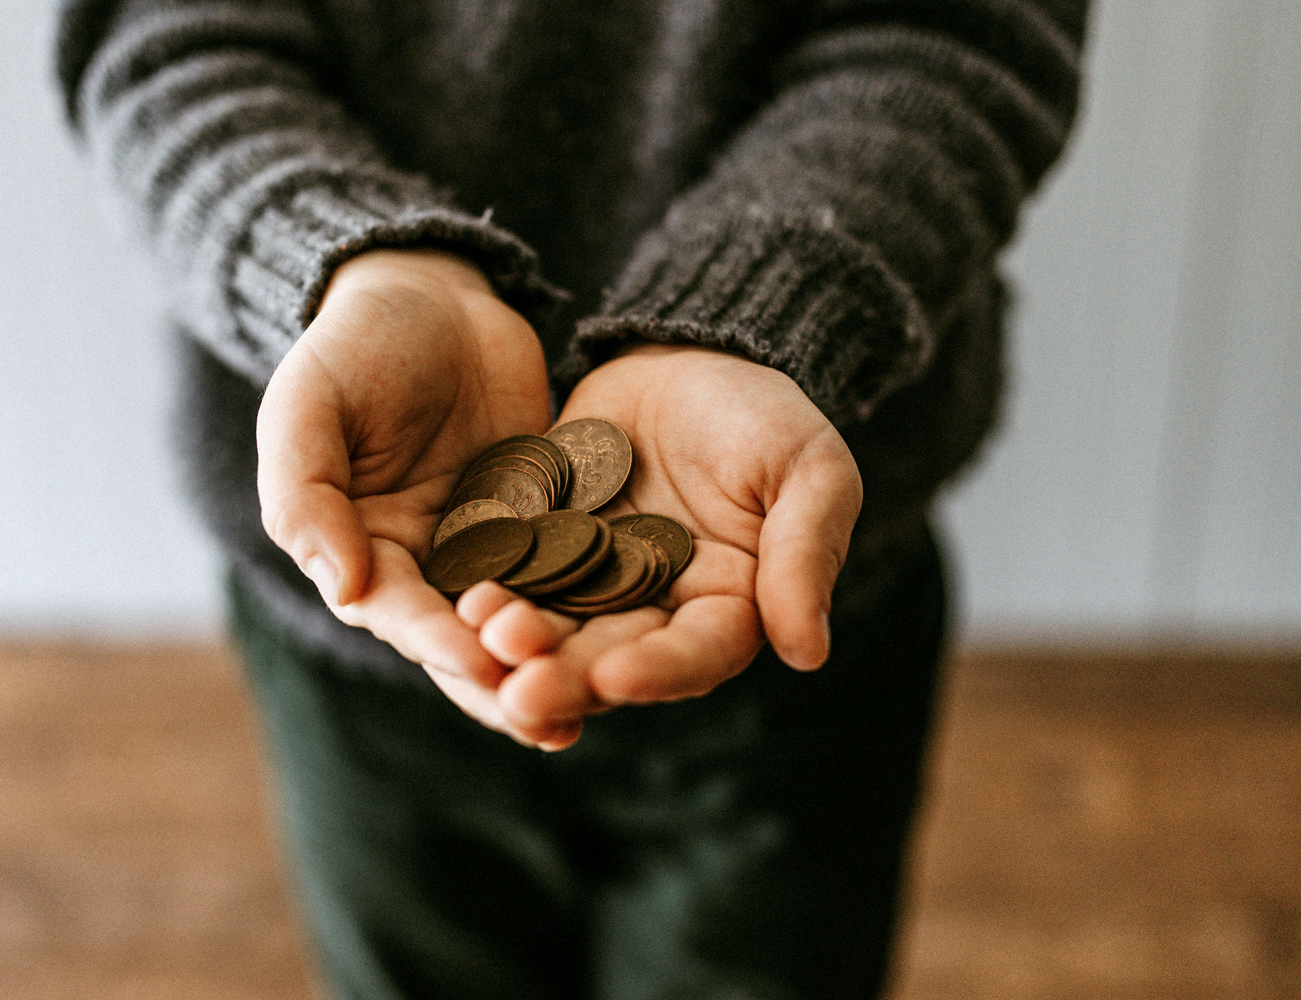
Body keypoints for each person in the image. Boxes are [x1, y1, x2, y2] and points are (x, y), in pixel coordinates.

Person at [57, 1, 1088, 996]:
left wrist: (758, 302)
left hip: (785, 593)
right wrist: (342, 262)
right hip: (360, 630)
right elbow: (160, 38)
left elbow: (952, 33)